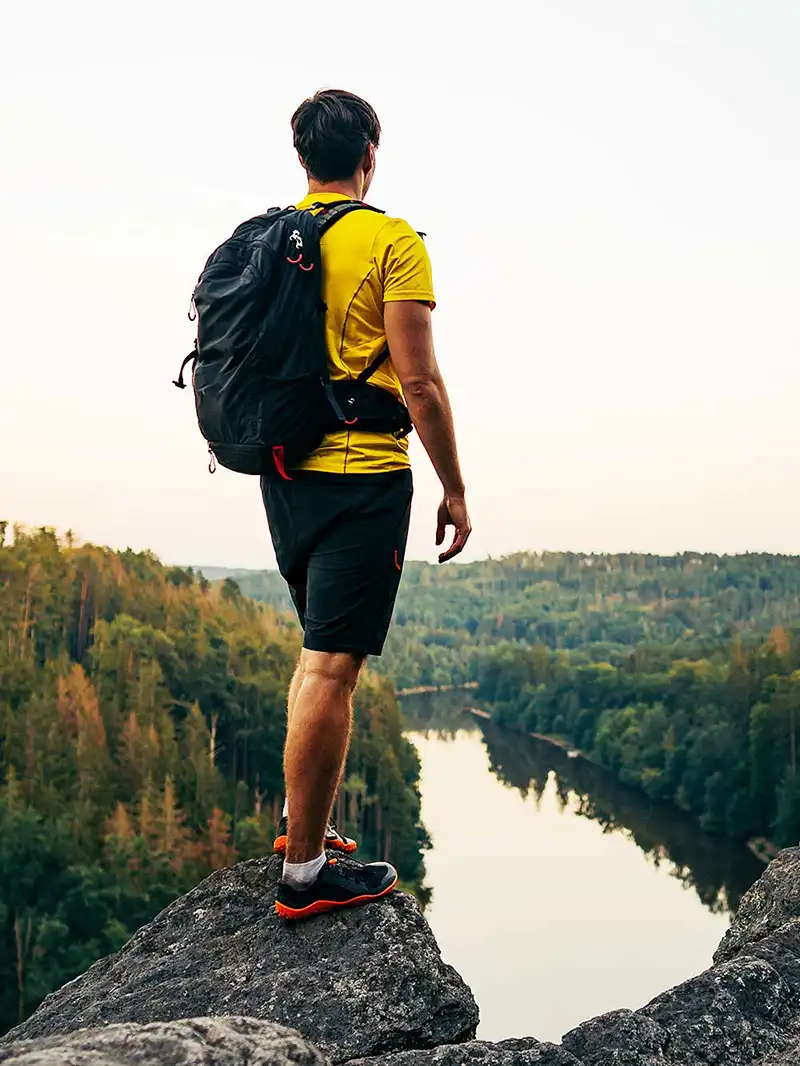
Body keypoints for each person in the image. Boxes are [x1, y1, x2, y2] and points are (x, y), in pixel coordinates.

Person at [264, 89, 471, 920]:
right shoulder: (393, 240)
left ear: (302, 157)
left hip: (284, 474)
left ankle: (297, 827)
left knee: (313, 654)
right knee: (332, 667)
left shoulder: (272, 237)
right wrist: (455, 485)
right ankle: (306, 876)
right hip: (362, 474)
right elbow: (417, 381)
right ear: (370, 155)